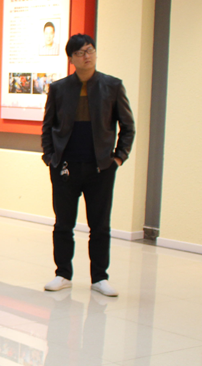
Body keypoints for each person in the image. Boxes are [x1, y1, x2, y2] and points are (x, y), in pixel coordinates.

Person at [41, 34, 134, 297]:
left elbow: (128, 127)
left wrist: (118, 158)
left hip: (100, 168)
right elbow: (48, 126)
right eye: (80, 53)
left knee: (100, 226)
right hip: (65, 167)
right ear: (71, 58)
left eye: (90, 50)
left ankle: (100, 278)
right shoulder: (59, 88)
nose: (87, 56)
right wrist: (50, 158)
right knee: (63, 224)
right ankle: (63, 274)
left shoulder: (112, 86)